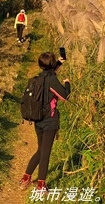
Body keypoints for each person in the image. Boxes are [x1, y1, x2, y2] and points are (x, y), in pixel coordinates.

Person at [19, 51, 70, 193]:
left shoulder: (38, 78)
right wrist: (67, 84)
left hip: (38, 120)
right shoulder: (52, 79)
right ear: (52, 65)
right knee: (45, 153)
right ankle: (41, 186)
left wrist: (59, 63)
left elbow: (49, 73)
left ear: (40, 65)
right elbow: (65, 96)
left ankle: (25, 178)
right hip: (50, 121)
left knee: (40, 150)